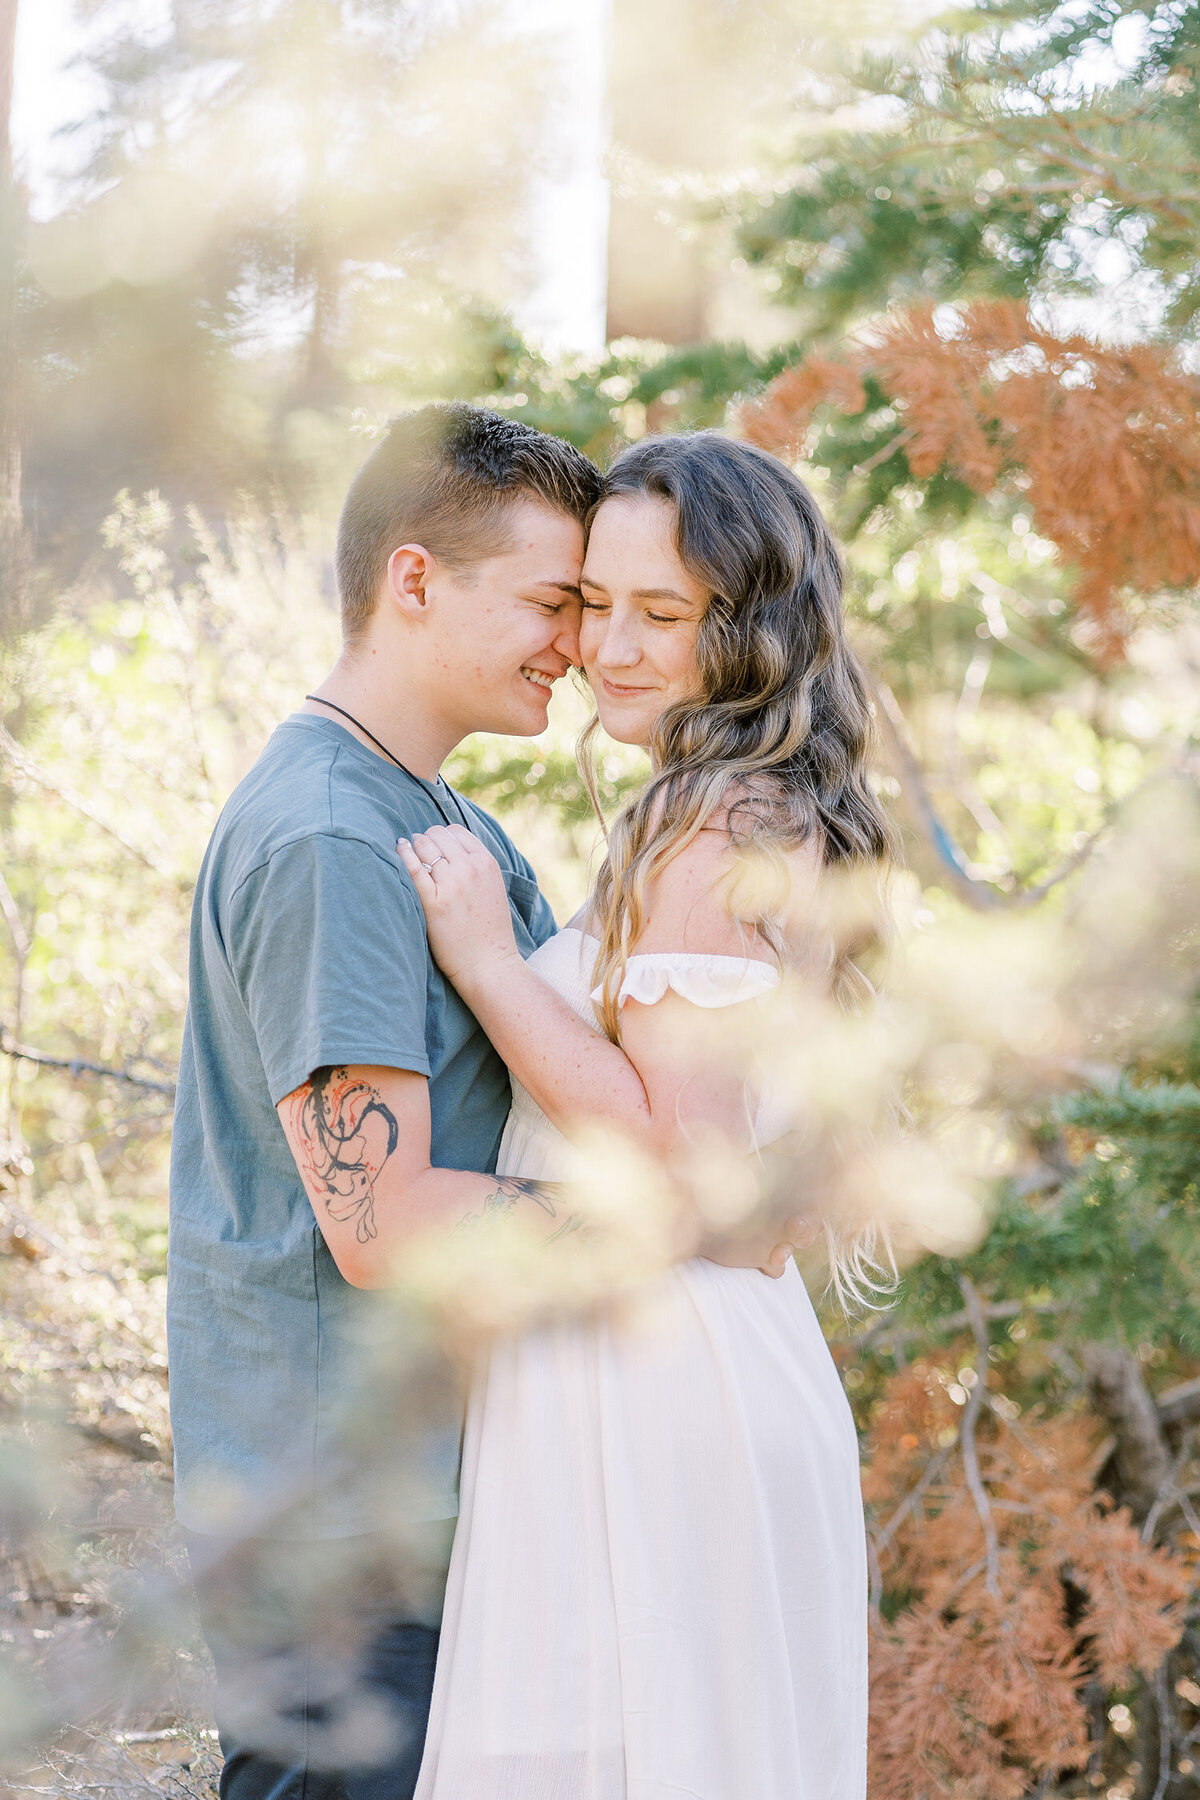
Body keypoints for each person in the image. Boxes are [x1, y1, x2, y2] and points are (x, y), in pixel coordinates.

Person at [168, 404, 804, 1800]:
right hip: (349, 1542)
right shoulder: (334, 837)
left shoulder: (437, 820)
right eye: (552, 600)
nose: (578, 645)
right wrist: (688, 1214)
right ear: (412, 581)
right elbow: (382, 1221)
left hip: (453, 1511)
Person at [397, 430, 895, 1800]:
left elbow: (682, 1165)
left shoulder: (713, 820)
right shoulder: (768, 810)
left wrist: (492, 965)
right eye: (592, 603)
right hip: (696, 1356)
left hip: (655, 1380)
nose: (609, 647)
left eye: (659, 614)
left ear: (747, 630)